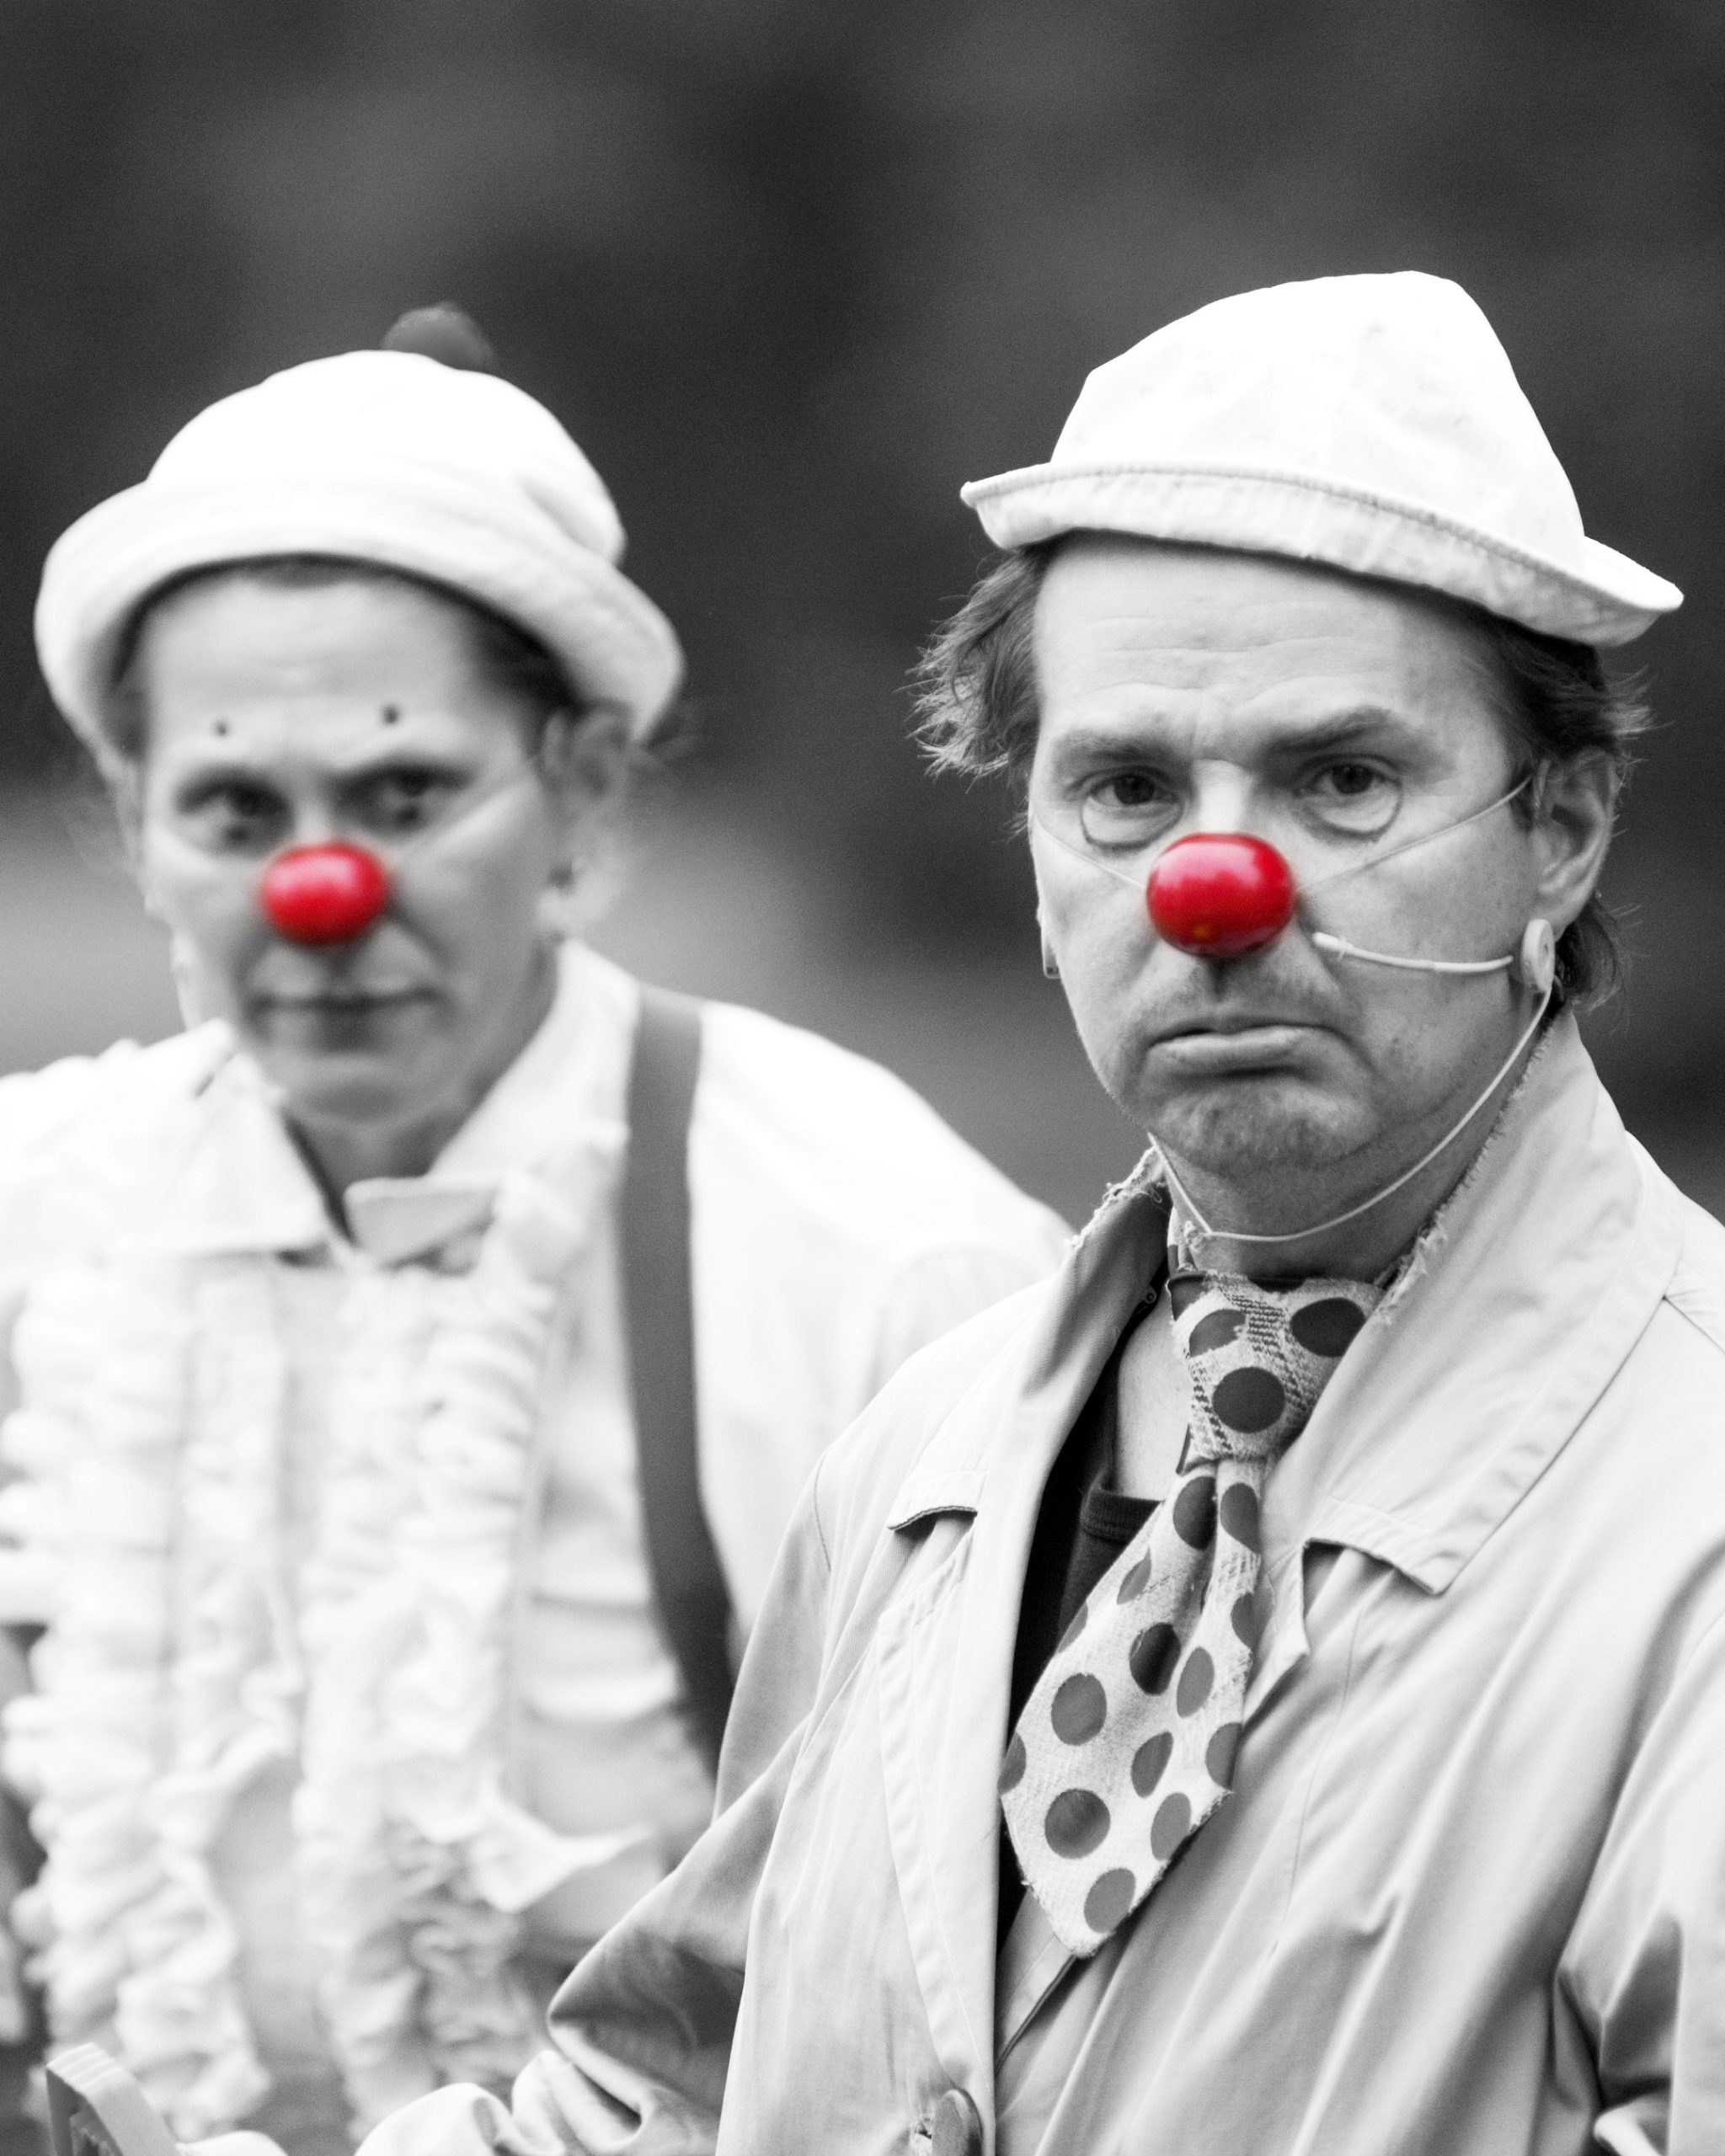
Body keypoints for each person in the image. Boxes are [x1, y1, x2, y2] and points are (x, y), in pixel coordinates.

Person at [335, 271, 1725, 2156]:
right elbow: (679, 2095)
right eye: (1126, 788)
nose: (1214, 888)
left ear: (1559, 830)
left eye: (1342, 779)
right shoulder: (920, 1455)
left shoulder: (1693, 1508)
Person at [0, 308, 1069, 2155]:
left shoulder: (874, 1255)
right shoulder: (35, 1223)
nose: (319, 891)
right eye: (234, 806)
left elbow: (996, 1983)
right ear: (133, 819)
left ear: (579, 783)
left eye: (405, 794)